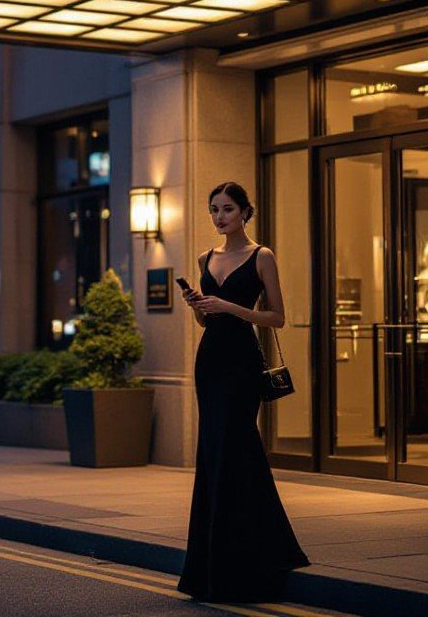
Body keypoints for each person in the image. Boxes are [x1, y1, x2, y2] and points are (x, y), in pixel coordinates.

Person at [177, 181, 310, 603]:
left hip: (242, 363)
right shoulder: (205, 258)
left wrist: (228, 306)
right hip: (210, 361)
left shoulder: (261, 255)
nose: (219, 217)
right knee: (214, 452)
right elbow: (206, 322)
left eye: (228, 209)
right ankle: (213, 565)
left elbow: (277, 318)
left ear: (245, 213)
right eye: (214, 209)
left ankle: (258, 555)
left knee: (238, 447)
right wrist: (200, 308)